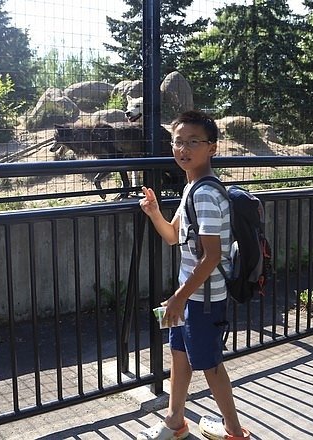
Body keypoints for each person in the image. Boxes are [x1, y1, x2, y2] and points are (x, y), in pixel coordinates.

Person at [137, 111, 251, 440]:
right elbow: (173, 236)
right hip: (190, 295)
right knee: (180, 356)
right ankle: (175, 422)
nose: (183, 149)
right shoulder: (192, 188)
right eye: (178, 142)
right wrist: (155, 211)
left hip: (202, 299)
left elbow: (212, 255)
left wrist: (178, 298)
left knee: (210, 364)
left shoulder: (204, 193)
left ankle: (233, 432)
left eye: (193, 142)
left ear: (212, 148)